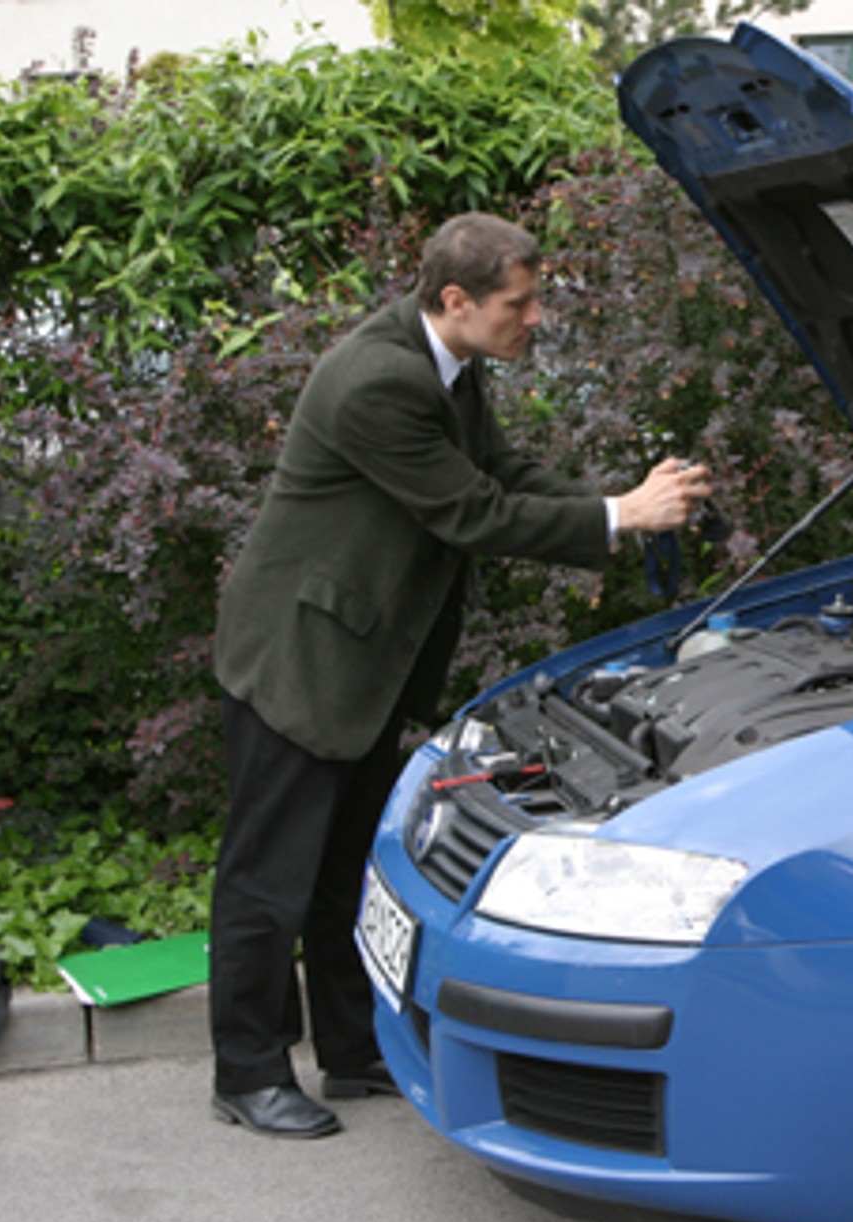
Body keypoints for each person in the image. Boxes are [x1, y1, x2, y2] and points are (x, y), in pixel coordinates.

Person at [208, 213, 712, 1138]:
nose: (537, 316)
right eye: (520, 302)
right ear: (457, 300)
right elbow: (472, 512)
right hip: (302, 654)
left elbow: (504, 468)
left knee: (342, 868)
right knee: (267, 876)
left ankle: (351, 1052)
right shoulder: (381, 381)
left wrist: (624, 504)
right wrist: (621, 517)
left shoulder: (448, 362)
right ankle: (244, 1074)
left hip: (362, 656)